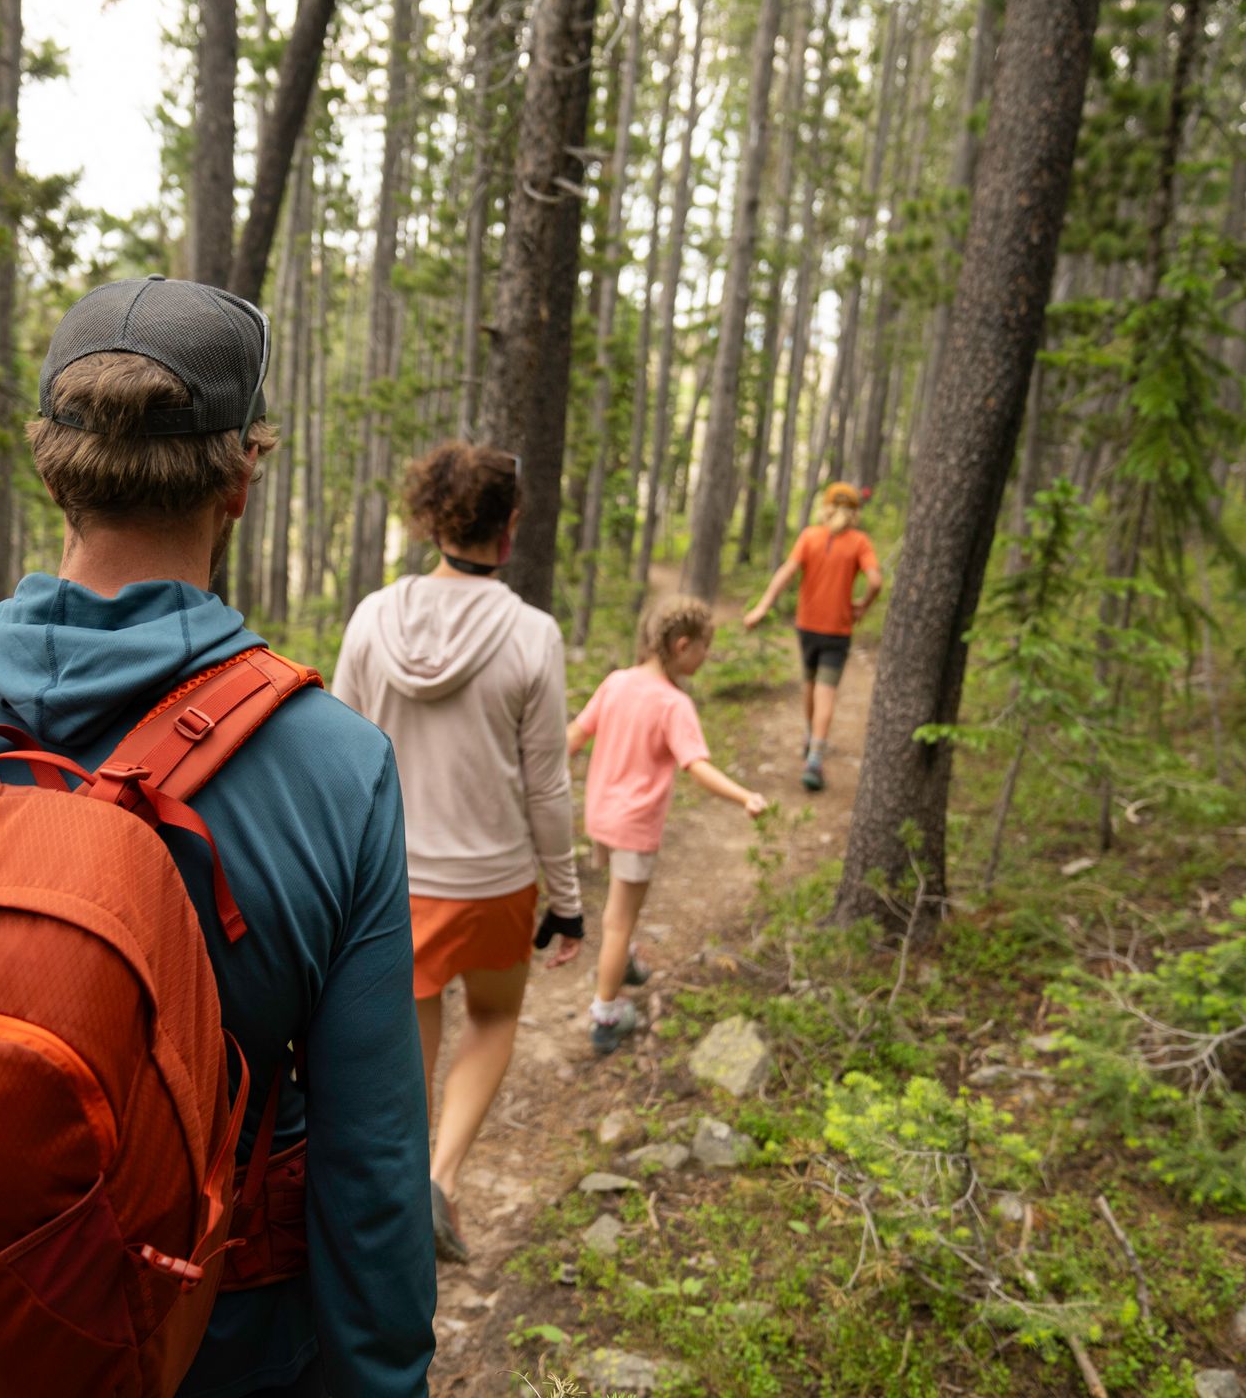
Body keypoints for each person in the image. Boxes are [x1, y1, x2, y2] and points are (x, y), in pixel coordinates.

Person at [0, 276, 435, 1398]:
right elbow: (370, 1169)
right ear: (241, 475)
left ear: (51, 466)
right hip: (218, 1351)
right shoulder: (335, 765)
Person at [333, 441, 587, 1267]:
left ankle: (404, 1186)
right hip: (494, 881)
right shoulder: (532, 634)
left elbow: (337, 751)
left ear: (431, 516)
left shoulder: (374, 616)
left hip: (392, 885)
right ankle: (440, 1176)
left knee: (415, 1042)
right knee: (497, 1016)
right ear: (508, 529)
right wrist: (569, 898)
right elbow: (546, 783)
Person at [567, 597, 769, 1054]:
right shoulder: (673, 703)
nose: (705, 657)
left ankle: (627, 960)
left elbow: (575, 736)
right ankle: (605, 1014)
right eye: (703, 648)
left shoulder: (617, 682)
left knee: (621, 909)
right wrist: (744, 796)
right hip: (634, 826)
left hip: (600, 817)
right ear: (681, 646)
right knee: (618, 919)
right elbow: (696, 765)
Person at [743, 482, 883, 791]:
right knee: (826, 692)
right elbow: (875, 580)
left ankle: (810, 736)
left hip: (807, 627)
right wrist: (862, 606)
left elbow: (786, 572)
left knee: (810, 685)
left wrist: (763, 606)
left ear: (827, 507)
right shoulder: (860, 542)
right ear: (855, 512)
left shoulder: (810, 536)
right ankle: (816, 758)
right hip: (838, 629)